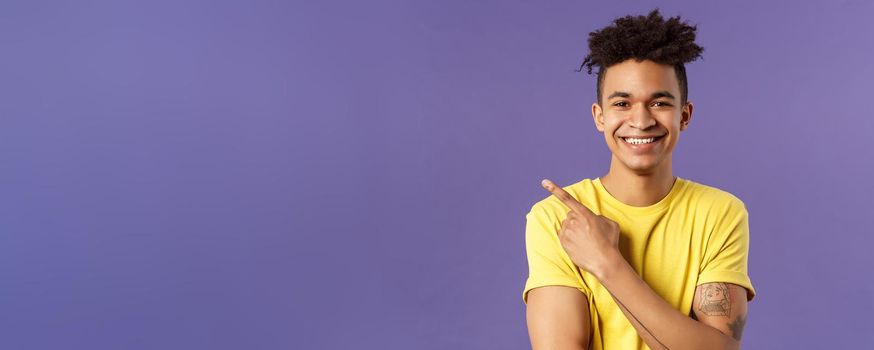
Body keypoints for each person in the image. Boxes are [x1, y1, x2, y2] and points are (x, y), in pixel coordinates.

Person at [522, 9, 755, 350]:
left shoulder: (720, 212)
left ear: (684, 116)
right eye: (622, 103)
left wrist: (607, 263)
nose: (641, 120)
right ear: (599, 117)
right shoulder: (555, 219)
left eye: (659, 102)